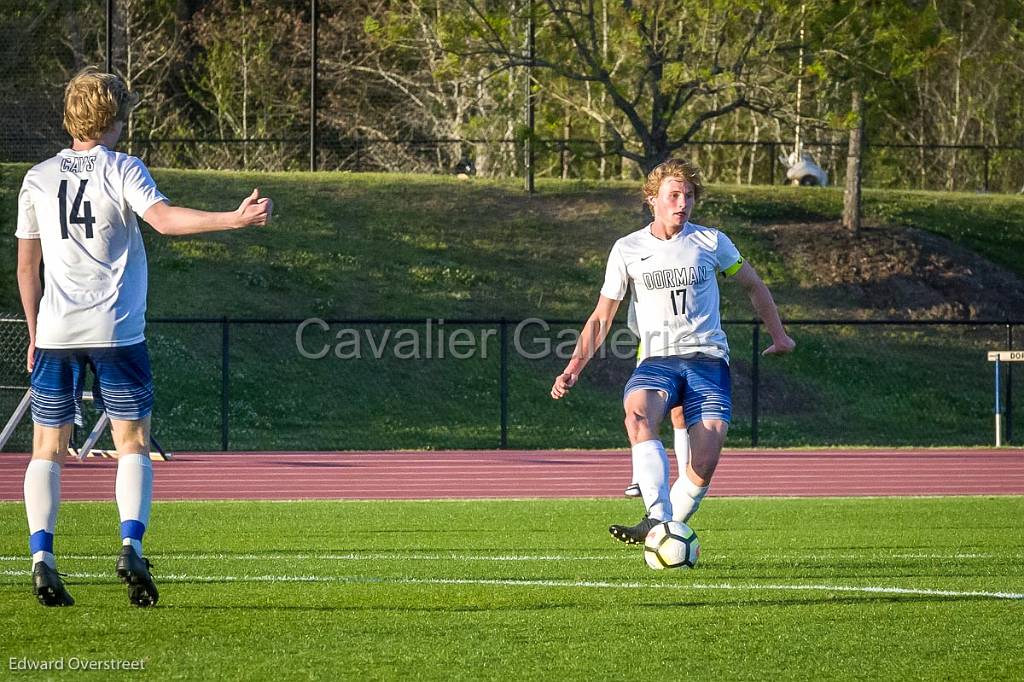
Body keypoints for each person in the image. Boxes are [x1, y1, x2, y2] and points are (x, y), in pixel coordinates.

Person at [16, 67, 273, 607]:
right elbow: (163, 220)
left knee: (46, 450)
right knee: (131, 443)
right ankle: (130, 545)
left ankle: (42, 558)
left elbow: (26, 267)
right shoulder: (122, 168)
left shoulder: (37, 178)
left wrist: (36, 333)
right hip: (116, 331)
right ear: (113, 118)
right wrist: (234, 219)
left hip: (58, 332)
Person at [551, 158, 794, 544]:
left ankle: (671, 528)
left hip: (708, 359)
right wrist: (574, 367)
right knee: (637, 411)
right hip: (658, 359)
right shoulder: (627, 249)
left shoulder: (712, 241)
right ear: (652, 199)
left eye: (689, 196)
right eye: (674, 195)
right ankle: (658, 518)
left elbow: (753, 285)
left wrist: (780, 336)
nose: (682, 203)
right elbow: (602, 315)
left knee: (704, 463)